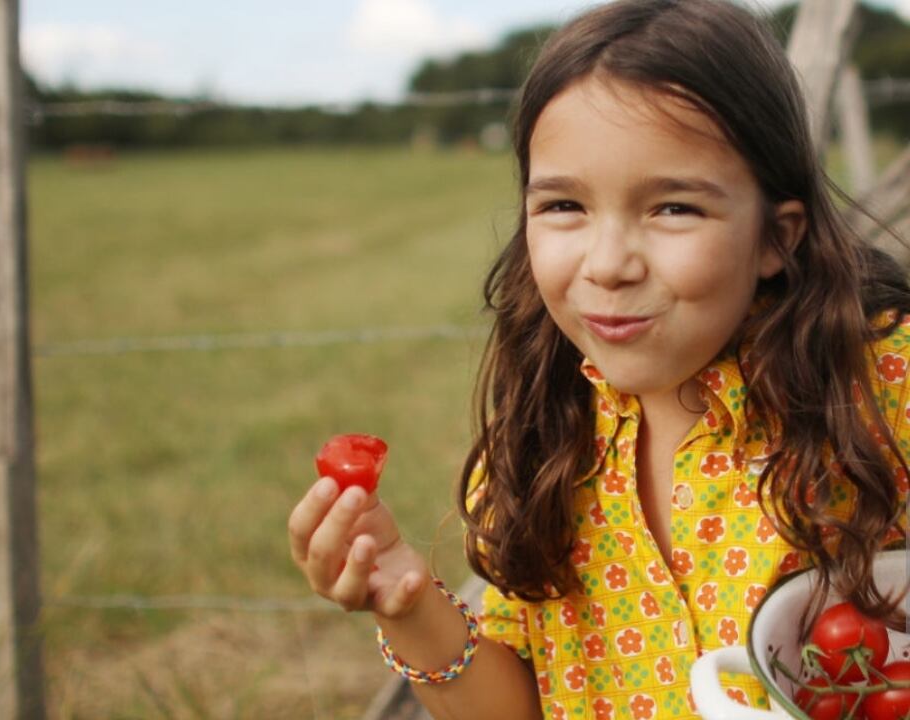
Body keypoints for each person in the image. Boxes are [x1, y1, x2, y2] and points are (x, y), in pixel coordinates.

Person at [287, 0, 910, 718]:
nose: (608, 265)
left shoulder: (875, 388)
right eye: (563, 207)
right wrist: (401, 599)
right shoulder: (543, 441)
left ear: (777, 236)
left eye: (673, 208)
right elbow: (519, 708)